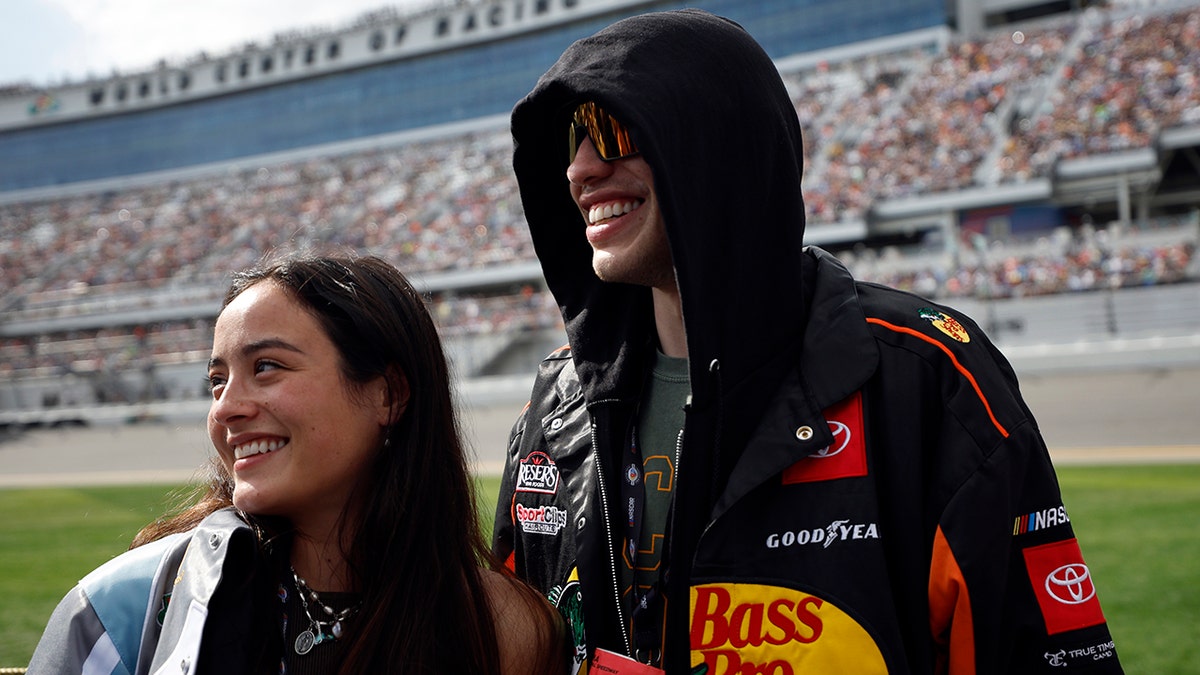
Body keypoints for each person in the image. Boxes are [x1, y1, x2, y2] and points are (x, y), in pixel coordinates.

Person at [492, 9, 1123, 674]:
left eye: (612, 131)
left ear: (714, 147)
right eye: (572, 141)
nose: (579, 170)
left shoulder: (927, 379)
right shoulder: (553, 403)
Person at [29, 252, 566, 675]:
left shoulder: (505, 627)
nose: (226, 408)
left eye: (266, 367)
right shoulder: (133, 606)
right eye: (217, 381)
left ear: (388, 394)